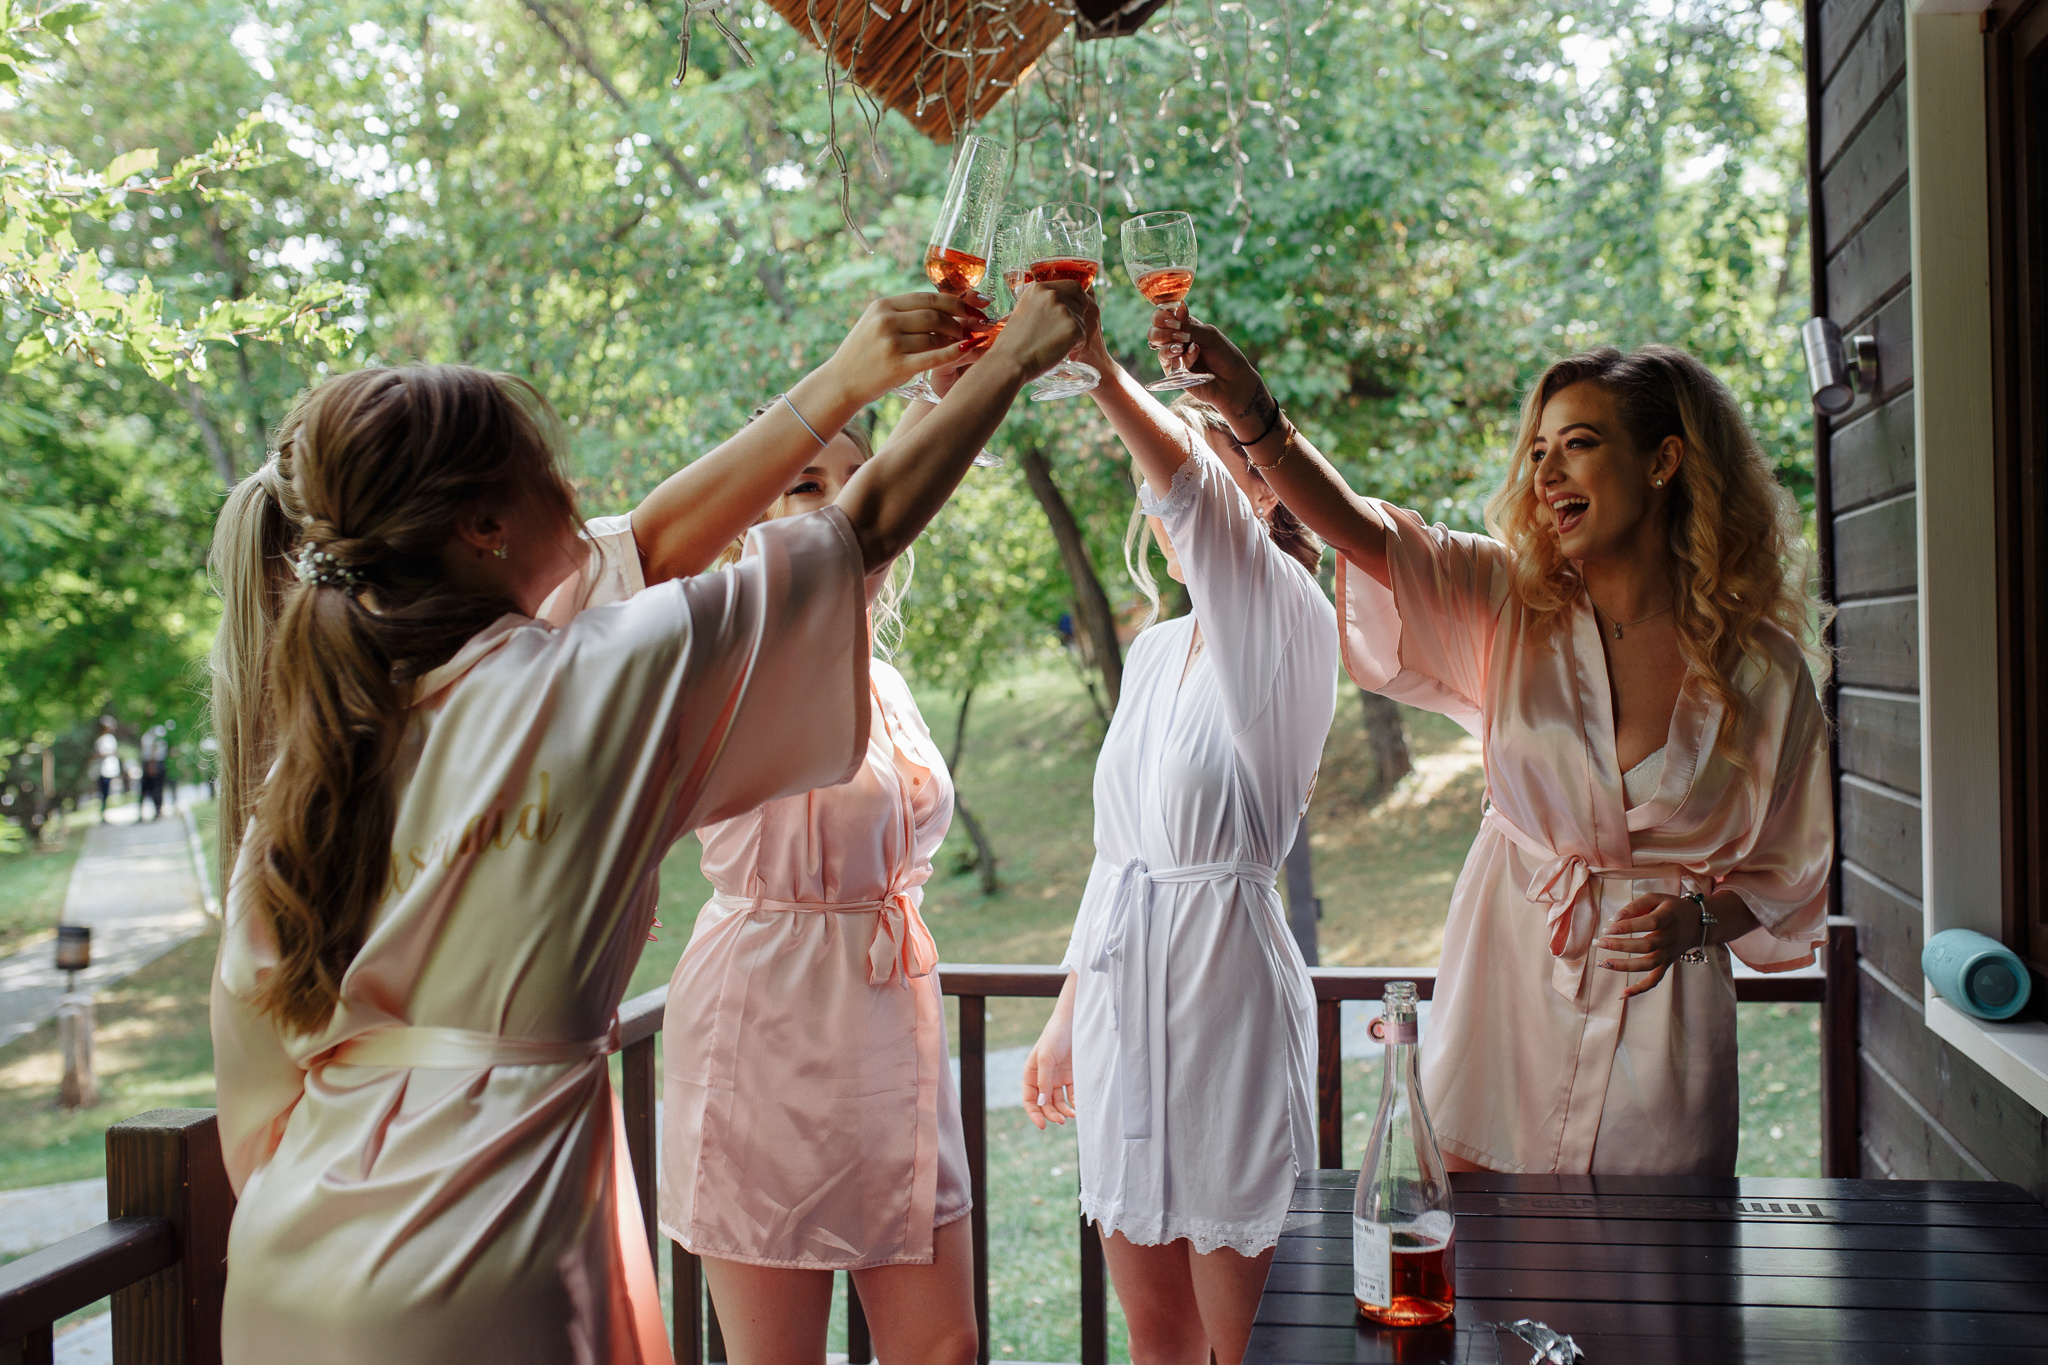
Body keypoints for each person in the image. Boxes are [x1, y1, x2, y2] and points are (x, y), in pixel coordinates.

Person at [208, 281, 1087, 1365]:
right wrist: (1008, 363)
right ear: (484, 529)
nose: (575, 490)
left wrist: (856, 382)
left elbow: (255, 1101)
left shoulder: (312, 766)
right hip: (488, 1256)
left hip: (294, 1256)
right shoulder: (588, 686)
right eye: (547, 472)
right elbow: (855, 533)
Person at [1152, 309, 1833, 1176]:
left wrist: (1697, 917)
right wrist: (1251, 408)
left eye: (1578, 444)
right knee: (1479, 1243)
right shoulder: (1507, 601)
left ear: (1663, 461)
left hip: (1664, 1018)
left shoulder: (1763, 671)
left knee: (1659, 1259)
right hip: (1506, 990)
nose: (1545, 473)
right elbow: (1360, 530)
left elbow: (1786, 871)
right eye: (1538, 451)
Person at [1020, 328, 1337, 1365]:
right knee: (1155, 1338)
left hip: (1224, 995)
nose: (1159, 495)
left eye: (1198, 465)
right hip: (1123, 1006)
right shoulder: (1155, 651)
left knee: (1247, 1342)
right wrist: (1067, 1013)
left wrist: (1101, 371)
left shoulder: (1291, 617)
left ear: (1268, 488)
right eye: (1150, 477)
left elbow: (1199, 503)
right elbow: (1115, 854)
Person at [656, 403, 975, 1365]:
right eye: (805, 483)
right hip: (767, 1020)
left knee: (945, 1348)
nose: (840, 502)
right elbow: (847, 550)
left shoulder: (886, 680)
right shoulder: (735, 654)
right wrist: (945, 404)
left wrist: (945, 395)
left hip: (893, 1018)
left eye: (856, 476)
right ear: (749, 519)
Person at [92, 719, 119, 821]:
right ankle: (102, 813)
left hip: (109, 769)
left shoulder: (110, 739)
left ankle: (105, 812)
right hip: (101, 770)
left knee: (106, 791)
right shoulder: (100, 739)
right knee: (102, 792)